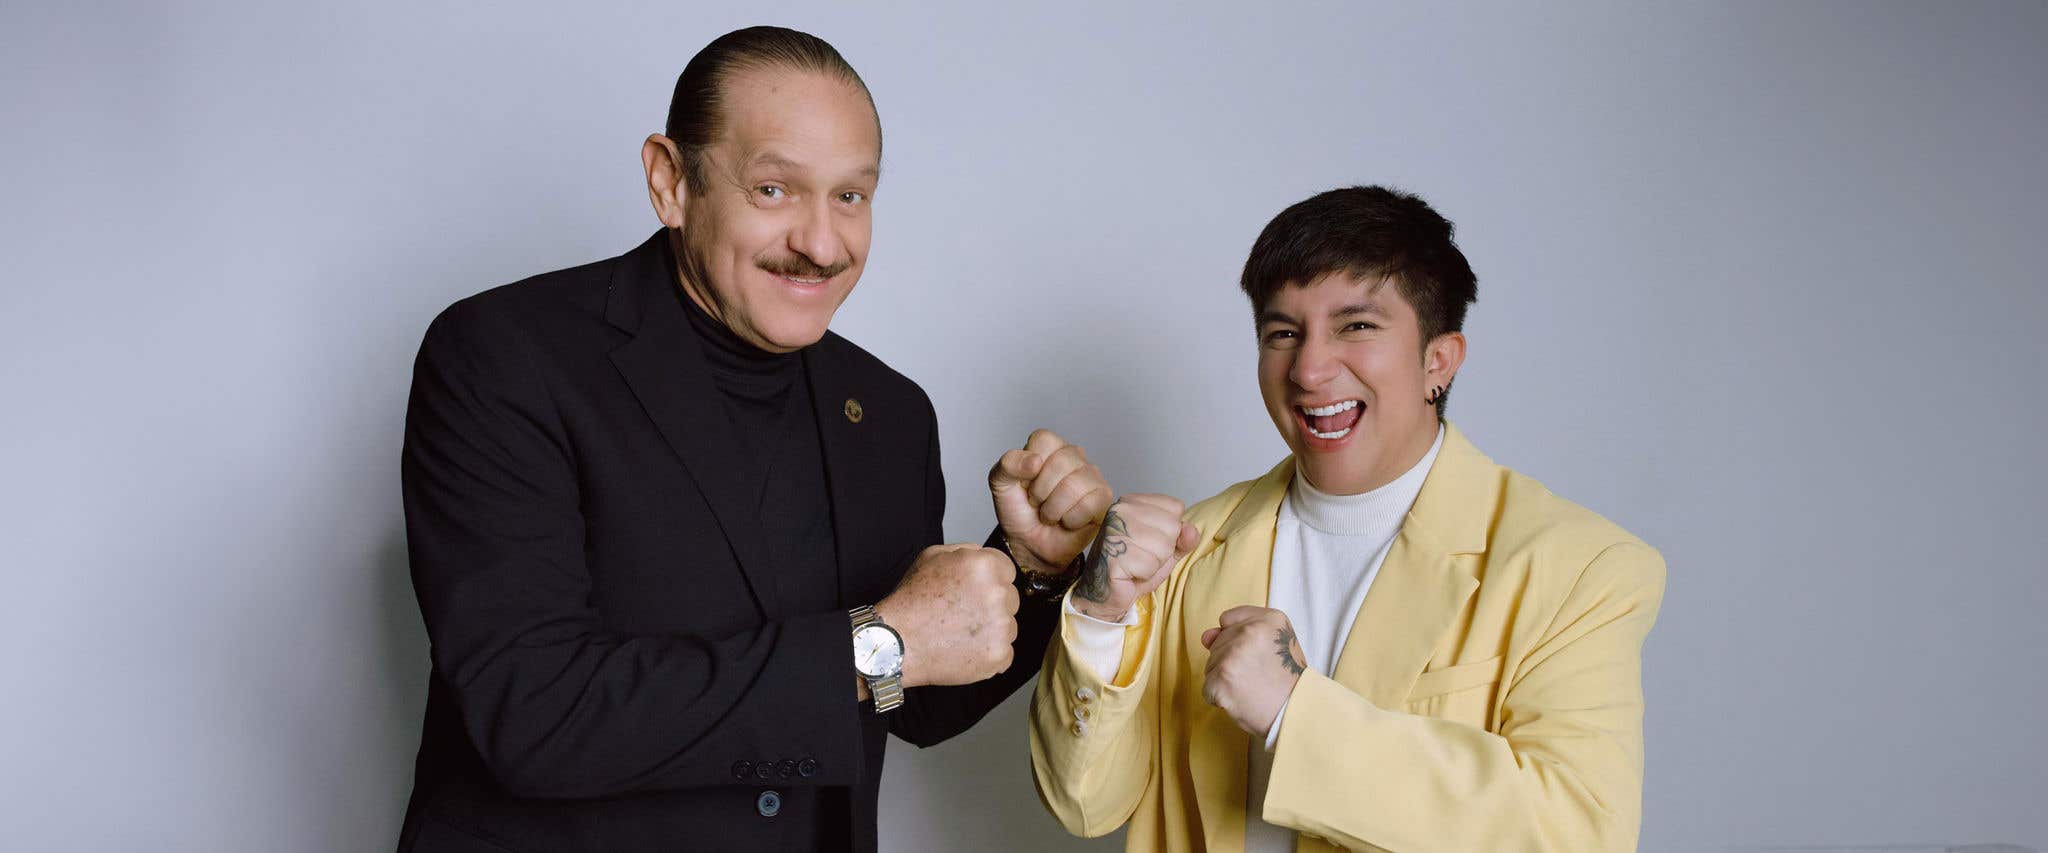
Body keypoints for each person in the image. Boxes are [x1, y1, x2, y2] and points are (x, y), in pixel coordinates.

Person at [397, 26, 1110, 852]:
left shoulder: (887, 411)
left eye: (851, 195)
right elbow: (534, 713)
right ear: (671, 182)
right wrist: (883, 640)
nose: (821, 243)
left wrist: (1031, 567)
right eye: (775, 189)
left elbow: (894, 690)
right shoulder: (504, 355)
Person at [1029, 186, 1667, 851]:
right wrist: (1098, 617)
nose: (1308, 368)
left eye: (1356, 326)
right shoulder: (1188, 544)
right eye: (1283, 333)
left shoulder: (1581, 567)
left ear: (1438, 361)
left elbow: (1577, 832)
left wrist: (1292, 714)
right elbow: (1086, 805)